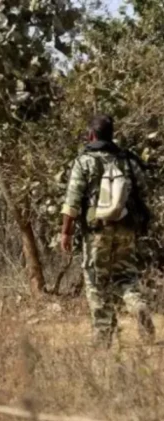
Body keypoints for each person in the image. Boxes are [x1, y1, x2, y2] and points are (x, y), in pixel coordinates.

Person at [61, 114, 155, 348]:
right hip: (126, 229)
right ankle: (137, 304)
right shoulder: (127, 160)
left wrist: (66, 232)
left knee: (96, 280)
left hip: (97, 232)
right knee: (125, 276)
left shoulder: (84, 161)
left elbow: (72, 202)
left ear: (92, 135)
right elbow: (144, 190)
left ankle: (103, 337)